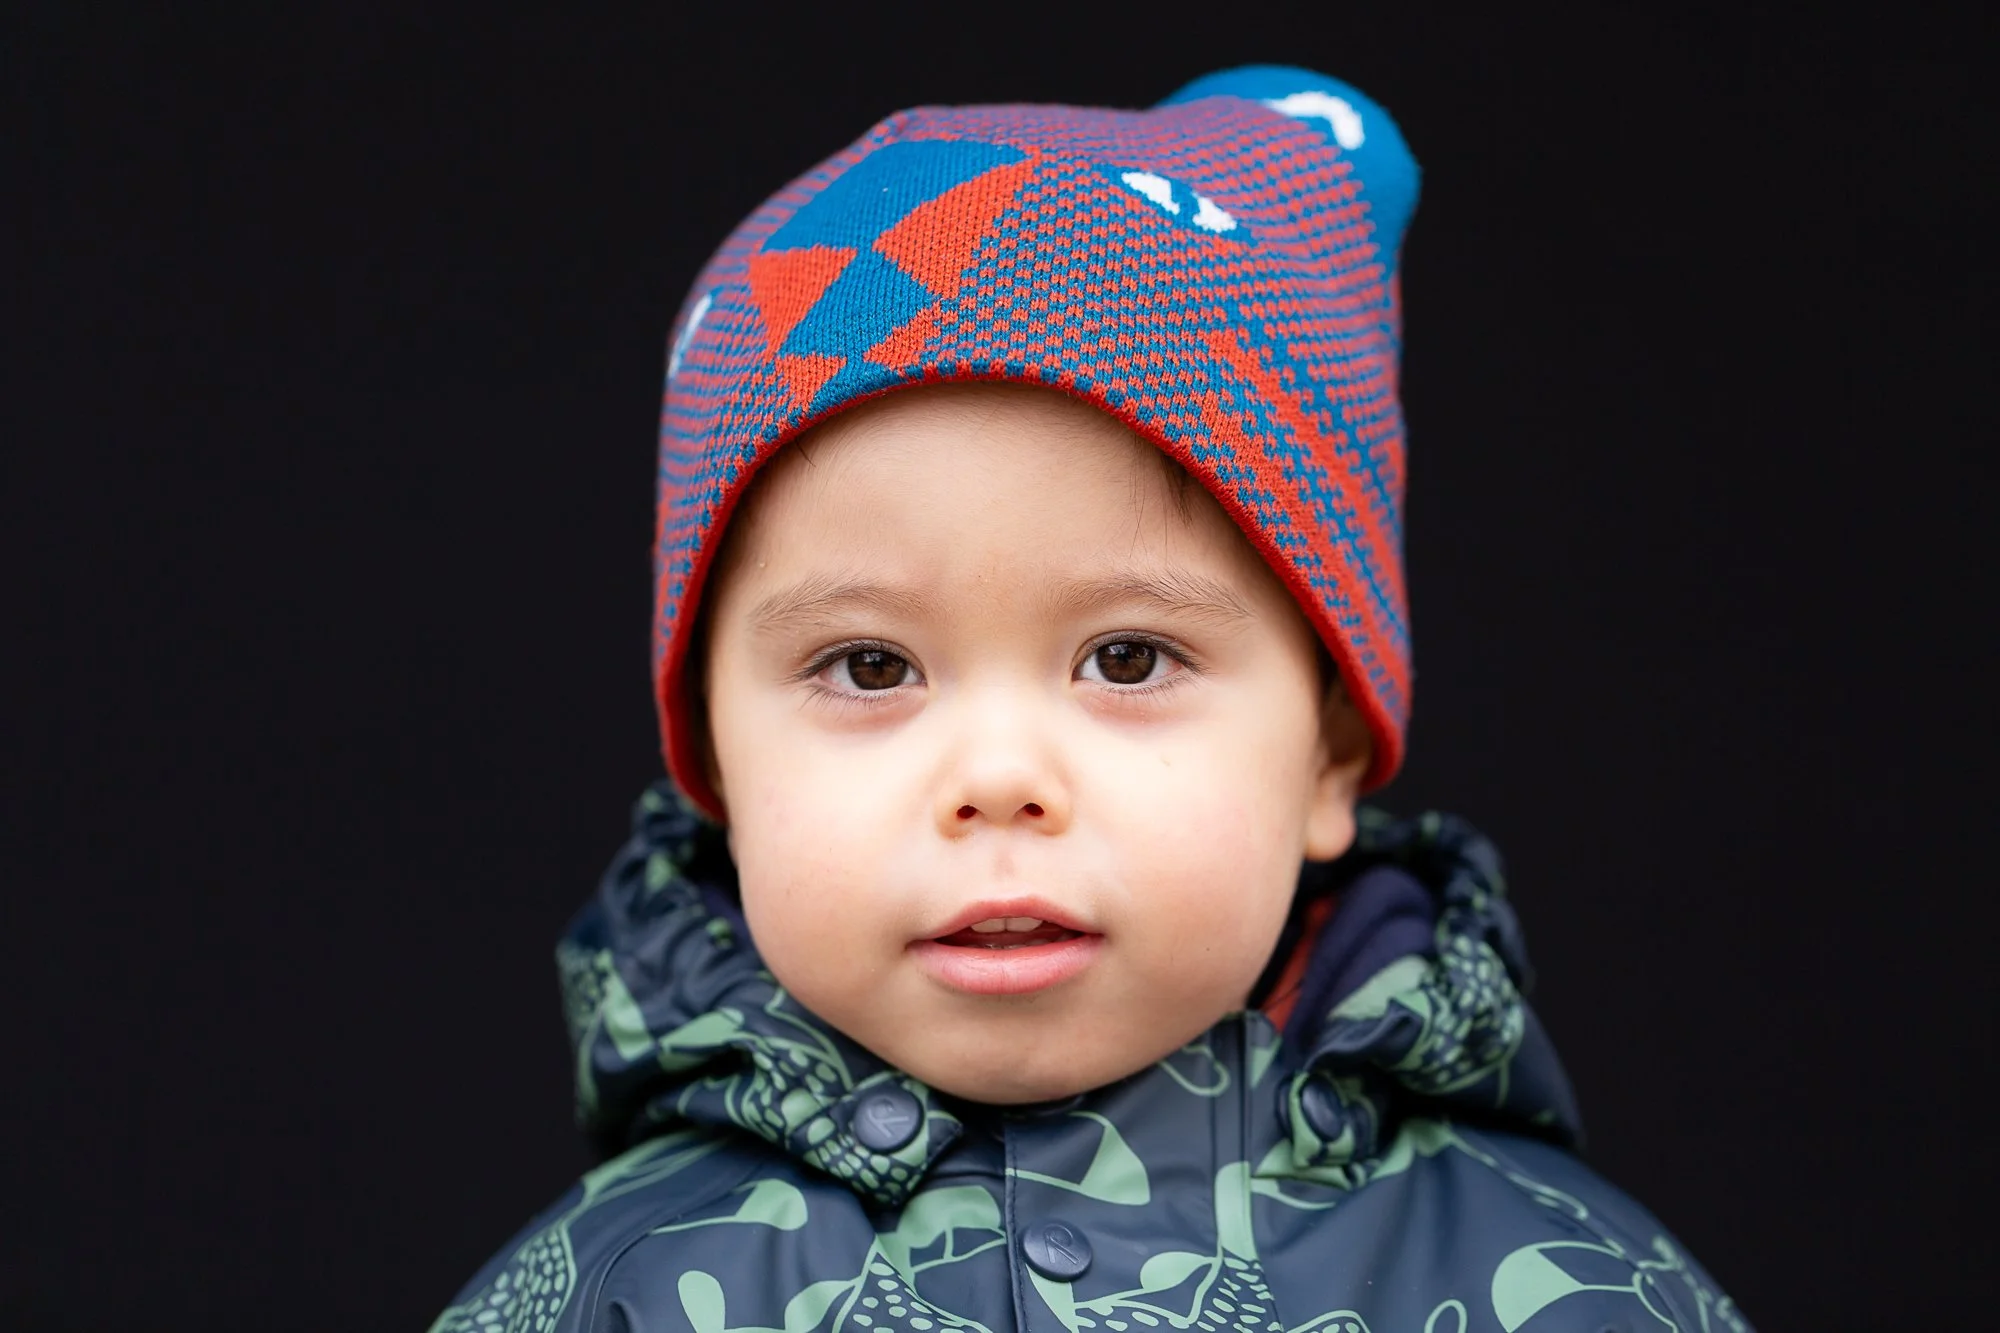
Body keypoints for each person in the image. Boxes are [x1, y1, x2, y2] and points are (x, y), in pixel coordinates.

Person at [430, 66, 1750, 1333]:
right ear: (718, 760)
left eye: (1128, 659)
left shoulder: (1572, 1287)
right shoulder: (610, 1295)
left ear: (1330, 753)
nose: (999, 774)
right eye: (871, 666)